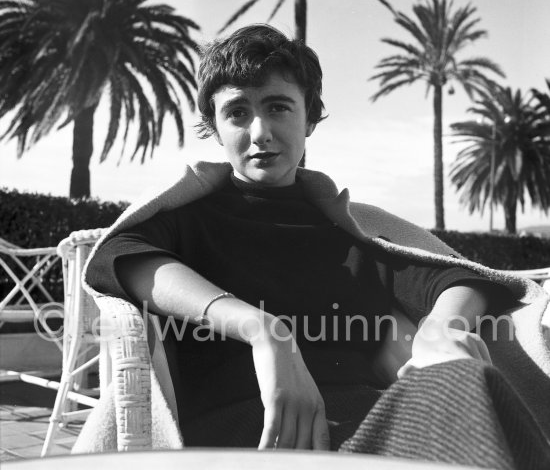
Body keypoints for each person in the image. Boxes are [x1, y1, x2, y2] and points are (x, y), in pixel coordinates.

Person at [83, 25, 550, 467]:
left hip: (375, 428)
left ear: (310, 119)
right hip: (253, 439)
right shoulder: (190, 220)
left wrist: (439, 331)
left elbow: (458, 278)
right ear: (215, 126)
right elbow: (121, 255)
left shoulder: (349, 232)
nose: (260, 131)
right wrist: (263, 331)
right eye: (238, 112)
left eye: (279, 107)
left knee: (466, 378)